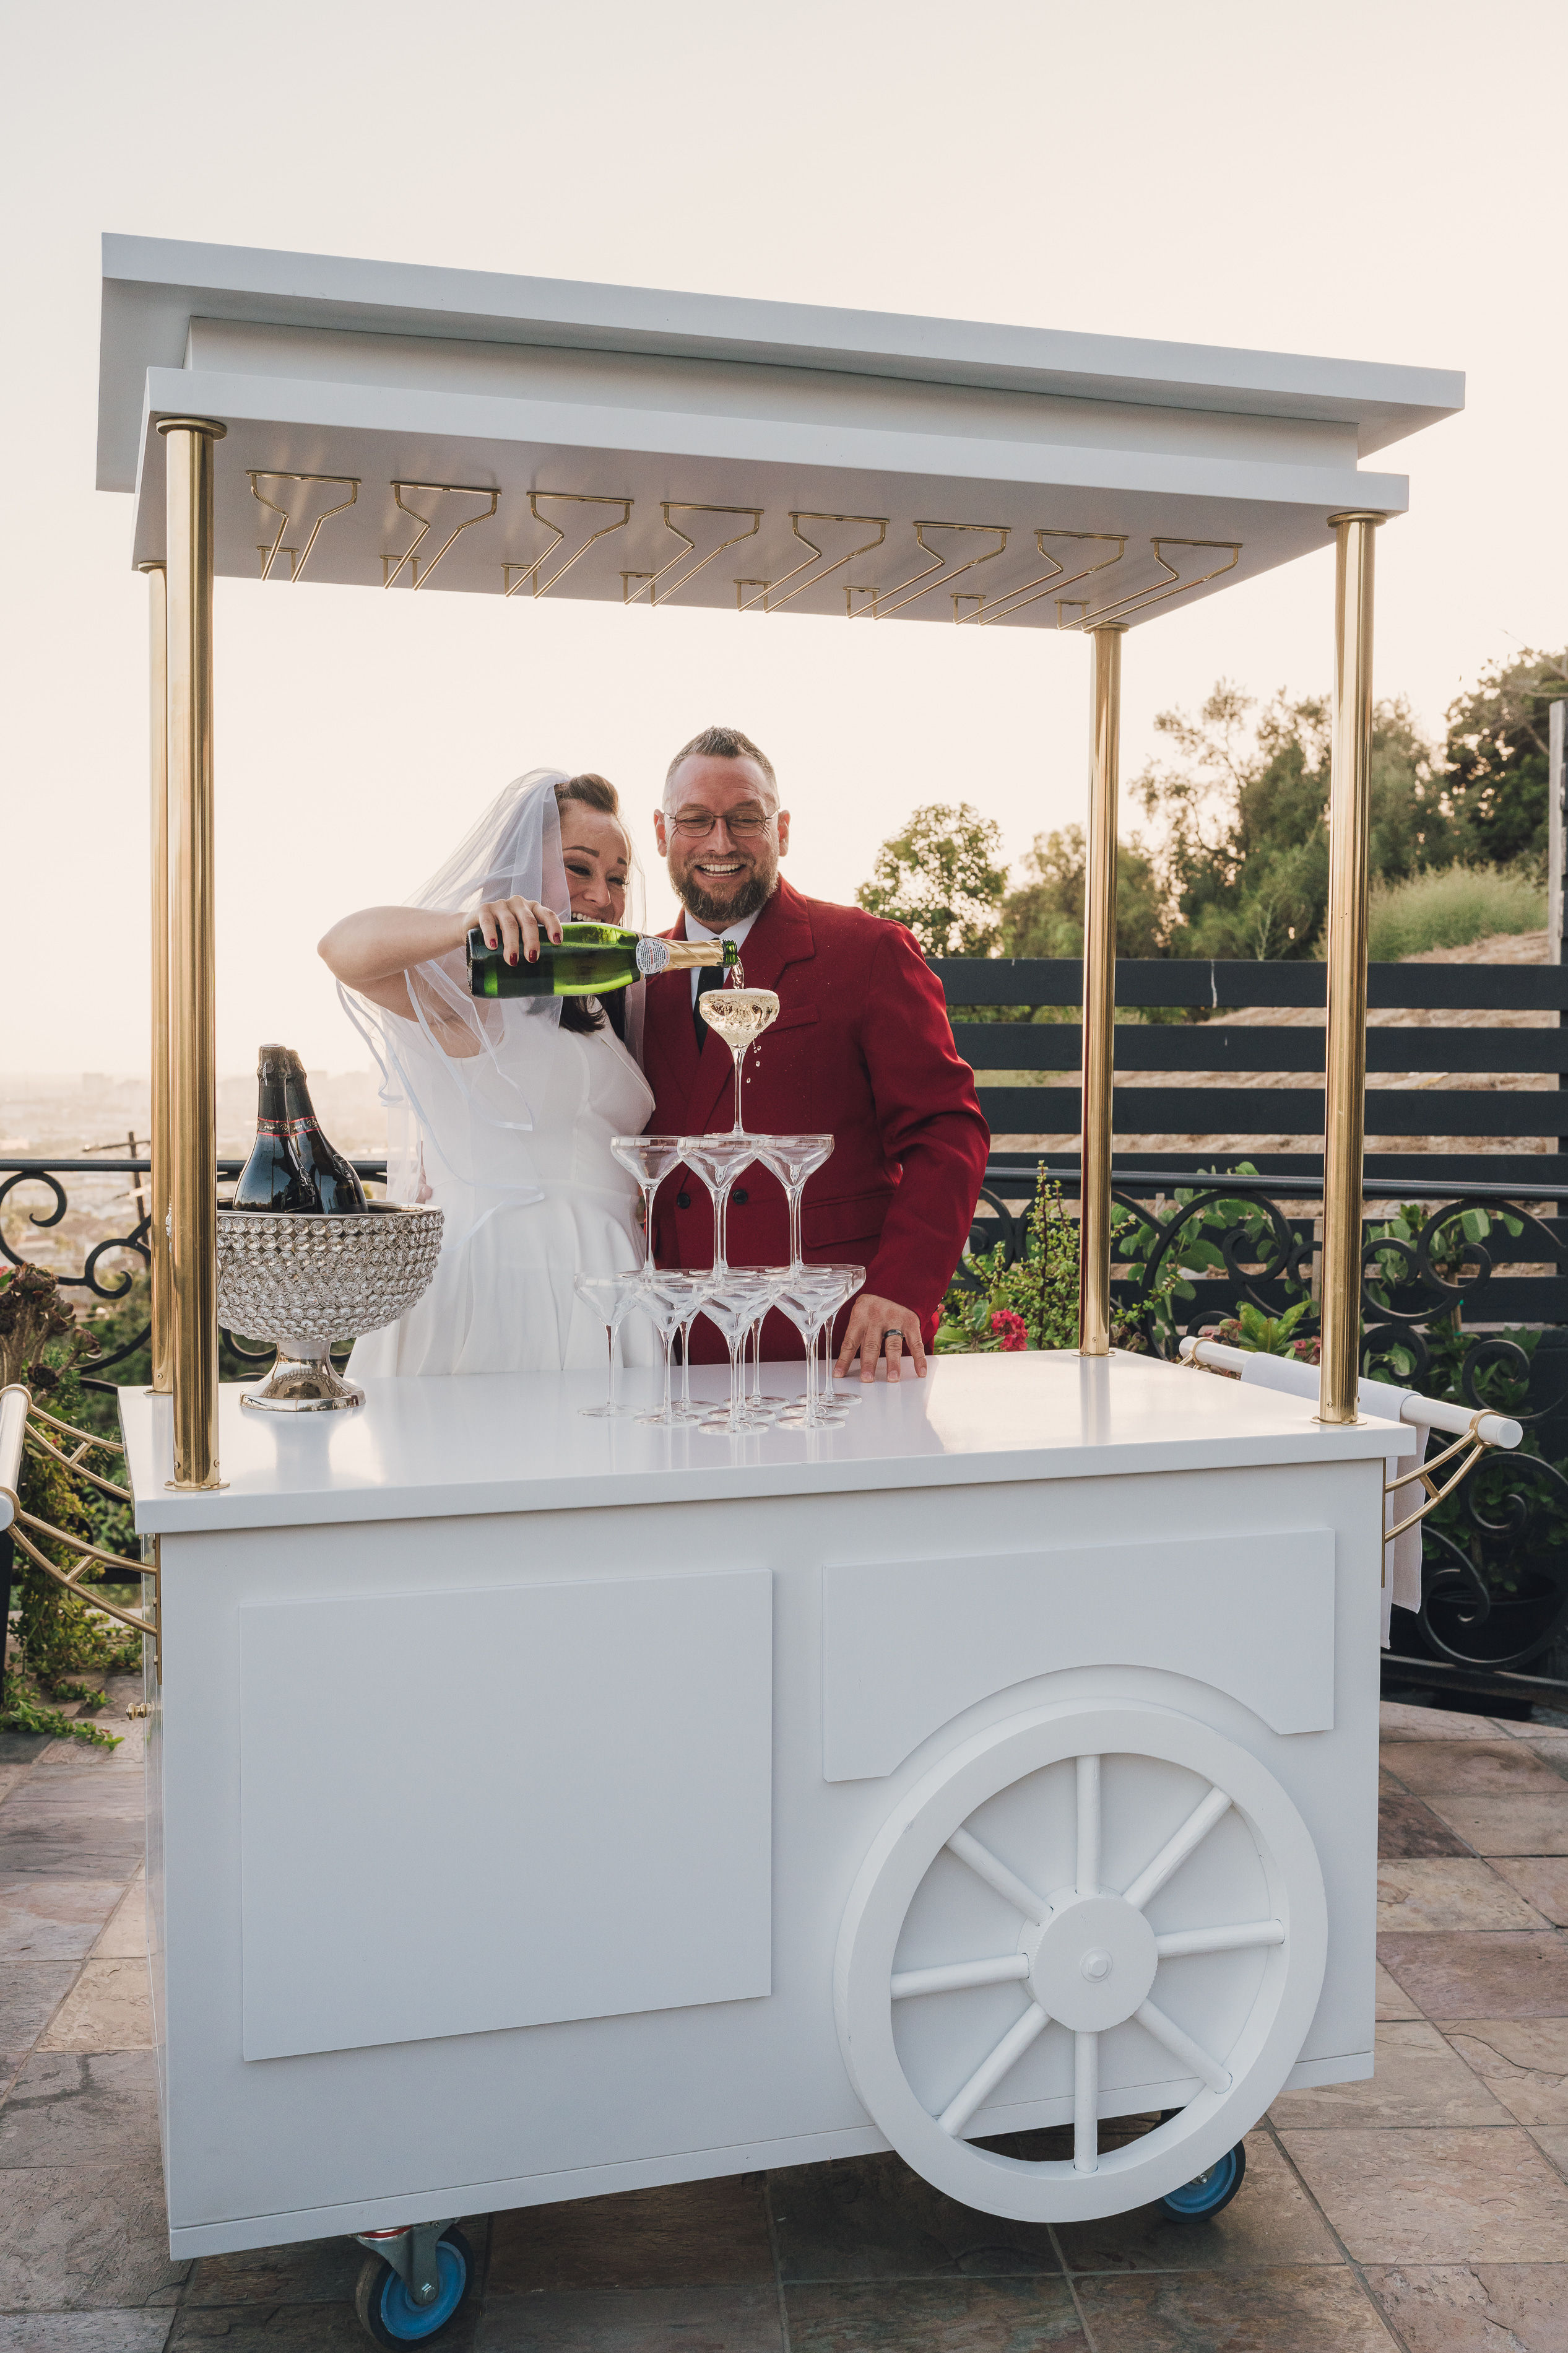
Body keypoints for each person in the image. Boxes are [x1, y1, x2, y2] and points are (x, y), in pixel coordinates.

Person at [641, 725, 990, 1380]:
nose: (720, 842)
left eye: (746, 819)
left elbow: (947, 1131)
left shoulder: (866, 950)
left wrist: (902, 1288)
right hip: (674, 1349)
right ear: (662, 832)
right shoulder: (638, 979)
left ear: (783, 830)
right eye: (696, 820)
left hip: (836, 1338)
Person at [318, 770, 654, 1377]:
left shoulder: (607, 1003)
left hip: (611, 1280)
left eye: (617, 878)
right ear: (519, 869)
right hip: (497, 1278)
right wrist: (463, 925)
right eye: (579, 868)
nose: (603, 896)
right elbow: (341, 947)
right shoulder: (472, 985)